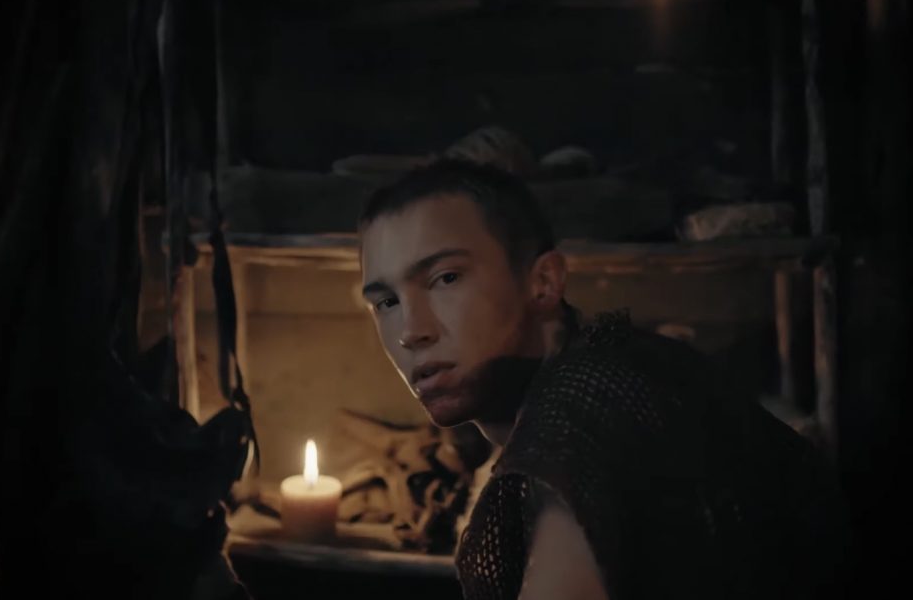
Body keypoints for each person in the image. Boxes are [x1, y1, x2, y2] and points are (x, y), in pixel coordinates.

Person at [357, 159, 849, 599]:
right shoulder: (607, 366)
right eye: (387, 302)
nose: (410, 332)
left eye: (445, 278)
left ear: (543, 281)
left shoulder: (587, 405)